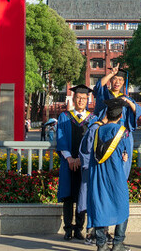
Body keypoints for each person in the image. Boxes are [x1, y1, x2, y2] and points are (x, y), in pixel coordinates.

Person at [80, 99, 132, 251]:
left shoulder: (96, 130)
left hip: (98, 175)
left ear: (106, 114)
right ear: (121, 115)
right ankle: (118, 243)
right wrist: (125, 158)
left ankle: (101, 245)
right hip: (115, 175)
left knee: (100, 207)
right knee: (122, 207)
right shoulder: (123, 132)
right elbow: (125, 153)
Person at [58, 85, 95, 241]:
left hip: (84, 164)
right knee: (68, 196)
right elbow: (61, 138)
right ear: (73, 99)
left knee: (83, 194)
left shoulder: (93, 119)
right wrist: (70, 159)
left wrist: (81, 159)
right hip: (68, 162)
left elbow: (93, 142)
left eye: (84, 98)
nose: (81, 100)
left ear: (88, 100)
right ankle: (67, 229)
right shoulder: (65, 116)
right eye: (78, 98)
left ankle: (79, 228)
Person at [95, 63, 140, 131]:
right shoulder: (105, 95)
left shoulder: (127, 99)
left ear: (123, 82)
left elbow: (138, 111)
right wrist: (111, 73)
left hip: (121, 130)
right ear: (110, 80)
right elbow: (99, 86)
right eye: (114, 79)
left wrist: (129, 102)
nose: (117, 82)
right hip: (105, 128)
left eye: (120, 79)